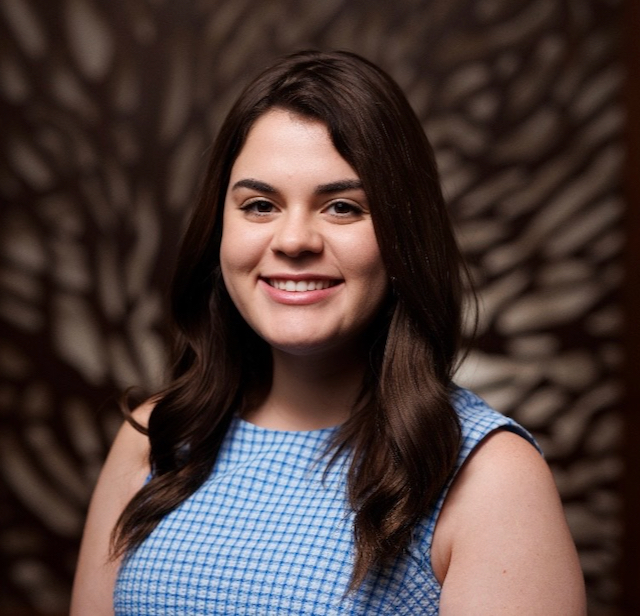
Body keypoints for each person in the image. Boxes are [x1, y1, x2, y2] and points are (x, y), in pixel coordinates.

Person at [70, 50, 586, 615]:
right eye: (260, 205)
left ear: (403, 238)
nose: (294, 241)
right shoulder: (155, 437)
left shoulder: (489, 476)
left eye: (342, 207)